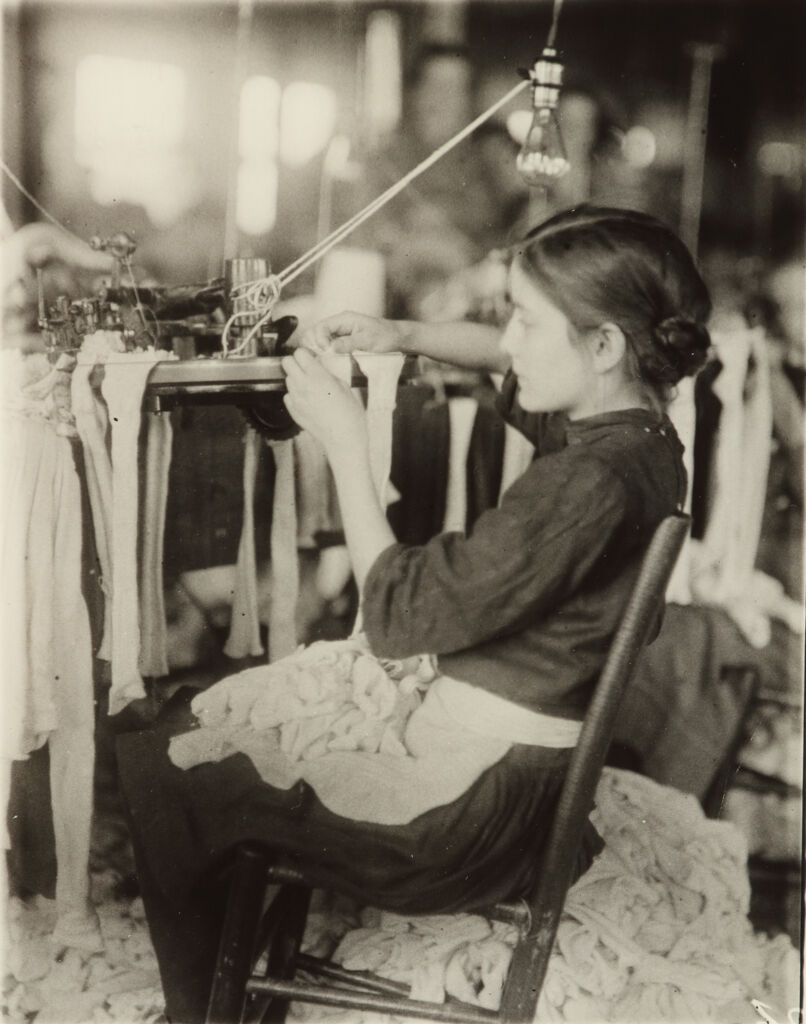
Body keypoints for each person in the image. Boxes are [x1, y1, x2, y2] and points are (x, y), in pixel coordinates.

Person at [116, 205, 711, 1023]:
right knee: (207, 732)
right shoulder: (638, 439)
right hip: (516, 783)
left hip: (460, 820)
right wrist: (400, 332)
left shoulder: (584, 485)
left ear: (604, 345)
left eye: (525, 322)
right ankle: (234, 953)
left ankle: (199, 1015)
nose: (505, 342)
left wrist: (345, 441)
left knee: (158, 760)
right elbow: (506, 367)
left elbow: (395, 612)